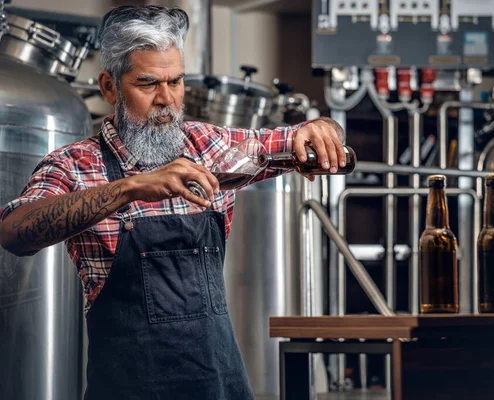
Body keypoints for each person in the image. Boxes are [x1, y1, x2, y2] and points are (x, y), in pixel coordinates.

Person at [0, 5, 347, 399]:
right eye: (148, 84)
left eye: (176, 82)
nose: (167, 99)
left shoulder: (209, 148)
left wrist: (323, 128)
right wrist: (130, 188)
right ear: (110, 86)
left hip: (221, 386)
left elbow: (300, 135)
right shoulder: (76, 165)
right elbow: (14, 231)